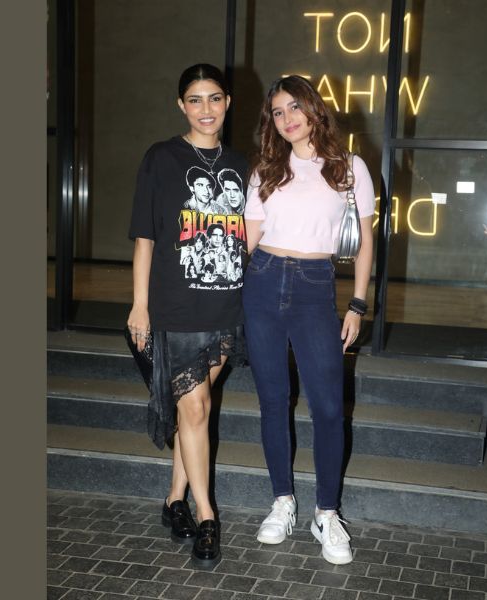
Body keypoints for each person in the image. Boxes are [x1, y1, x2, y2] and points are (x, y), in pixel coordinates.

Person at [242, 75, 375, 565]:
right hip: (262, 281)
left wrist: (357, 304)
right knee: (273, 401)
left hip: (316, 286)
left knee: (328, 407)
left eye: (294, 106)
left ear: (314, 108)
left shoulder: (349, 167)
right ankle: (282, 501)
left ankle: (326, 512)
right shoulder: (265, 169)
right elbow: (248, 241)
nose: (287, 118)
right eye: (277, 112)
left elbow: (365, 241)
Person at [127, 63, 248, 568]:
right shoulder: (162, 157)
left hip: (227, 308)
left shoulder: (243, 163)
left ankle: (173, 499)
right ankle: (207, 515)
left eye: (214, 98)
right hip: (175, 309)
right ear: (181, 105)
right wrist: (140, 304)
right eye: (194, 100)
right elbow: (145, 236)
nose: (206, 109)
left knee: (190, 411)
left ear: (227, 102)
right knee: (196, 410)